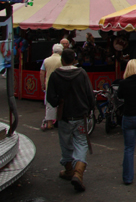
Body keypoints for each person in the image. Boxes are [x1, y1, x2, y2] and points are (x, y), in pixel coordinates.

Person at [46, 48, 96, 192]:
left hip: (65, 116)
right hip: (80, 115)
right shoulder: (81, 73)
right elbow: (89, 93)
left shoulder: (56, 75)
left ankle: (69, 170)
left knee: (66, 143)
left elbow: (51, 97)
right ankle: (78, 173)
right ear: (74, 59)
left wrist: (58, 102)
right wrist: (91, 108)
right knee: (81, 143)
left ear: (62, 60)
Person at [40, 43, 64, 131]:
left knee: (49, 105)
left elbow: (42, 73)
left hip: (49, 85)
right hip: (60, 84)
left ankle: (49, 123)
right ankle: (59, 121)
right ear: (61, 52)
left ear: (52, 51)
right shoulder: (62, 60)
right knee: (61, 103)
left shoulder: (46, 60)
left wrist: (42, 84)